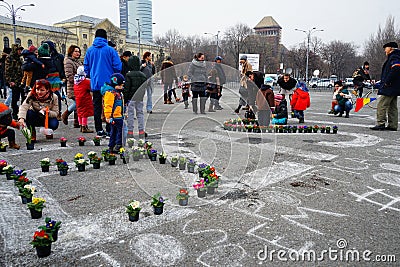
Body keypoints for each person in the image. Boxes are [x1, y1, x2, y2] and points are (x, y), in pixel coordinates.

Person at [84, 28, 122, 137]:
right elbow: (118, 66)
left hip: (95, 83)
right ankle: (109, 129)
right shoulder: (110, 50)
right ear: (106, 37)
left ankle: (99, 129)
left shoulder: (90, 50)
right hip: (109, 84)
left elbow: (86, 67)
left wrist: (92, 75)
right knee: (109, 105)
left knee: (97, 106)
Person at [370, 42, 400, 131]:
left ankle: (380, 123)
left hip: (389, 87)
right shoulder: (395, 56)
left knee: (381, 105)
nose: (384, 50)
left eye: (386, 48)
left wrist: (387, 82)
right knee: (392, 106)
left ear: (391, 48)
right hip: (394, 87)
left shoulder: (394, 57)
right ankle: (393, 125)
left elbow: (396, 68)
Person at [124, 55, 148, 139]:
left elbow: (127, 88)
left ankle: (130, 131)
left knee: (130, 115)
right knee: (140, 114)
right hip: (139, 98)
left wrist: (125, 99)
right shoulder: (143, 75)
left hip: (131, 98)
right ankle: (141, 131)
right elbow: (144, 87)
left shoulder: (128, 75)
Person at [102, 73, 125, 152]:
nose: (122, 87)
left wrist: (123, 113)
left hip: (119, 115)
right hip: (114, 116)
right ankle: (117, 145)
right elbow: (108, 105)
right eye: (120, 85)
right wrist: (108, 117)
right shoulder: (111, 93)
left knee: (115, 131)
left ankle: (112, 145)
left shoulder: (118, 92)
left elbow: (121, 104)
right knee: (118, 131)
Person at [62, 45, 82, 128]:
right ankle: (66, 114)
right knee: (78, 103)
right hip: (73, 86)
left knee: (78, 104)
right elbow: (69, 76)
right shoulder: (68, 61)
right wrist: (80, 79)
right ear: (71, 52)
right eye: (75, 51)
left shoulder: (78, 61)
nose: (78, 53)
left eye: (78, 51)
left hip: (79, 86)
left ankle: (76, 122)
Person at [4, 44, 24, 120]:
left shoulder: (20, 58)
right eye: (19, 50)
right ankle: (15, 113)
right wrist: (10, 81)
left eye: (21, 50)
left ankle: (22, 113)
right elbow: (7, 71)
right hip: (14, 81)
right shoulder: (10, 58)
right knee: (15, 99)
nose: (20, 51)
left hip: (21, 81)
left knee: (24, 98)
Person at [74, 66, 94, 133]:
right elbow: (91, 87)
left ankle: (81, 125)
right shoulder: (85, 81)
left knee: (79, 112)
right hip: (85, 98)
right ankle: (84, 126)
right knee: (85, 113)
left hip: (78, 98)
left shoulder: (76, 81)